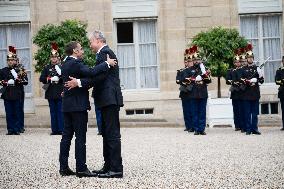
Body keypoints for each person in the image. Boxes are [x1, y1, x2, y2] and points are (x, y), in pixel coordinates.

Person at [65, 30, 124, 178]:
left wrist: (78, 82)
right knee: (106, 133)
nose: (90, 45)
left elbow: (99, 77)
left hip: (109, 99)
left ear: (98, 40)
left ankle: (116, 169)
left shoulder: (106, 53)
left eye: (91, 42)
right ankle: (108, 165)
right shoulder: (102, 54)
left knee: (112, 134)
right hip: (105, 99)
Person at [0, 46, 27, 135]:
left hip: (17, 93)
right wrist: (6, 82)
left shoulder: (20, 70)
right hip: (7, 93)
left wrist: (18, 78)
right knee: (9, 113)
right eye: (9, 60)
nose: (10, 61)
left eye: (12, 60)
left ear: (15, 60)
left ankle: (17, 129)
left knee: (17, 112)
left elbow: (25, 81)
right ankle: (10, 129)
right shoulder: (3, 70)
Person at [39, 42, 64, 135]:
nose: (54, 59)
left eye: (56, 57)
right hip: (50, 91)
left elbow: (65, 77)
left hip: (59, 91)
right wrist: (50, 79)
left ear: (58, 58)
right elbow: (41, 78)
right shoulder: (47, 68)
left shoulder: (62, 67)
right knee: (53, 112)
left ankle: (61, 129)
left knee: (60, 111)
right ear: (50, 58)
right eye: (52, 57)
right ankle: (54, 130)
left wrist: (59, 78)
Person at [239, 44, 263, 135]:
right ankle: (248, 129)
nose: (250, 59)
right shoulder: (243, 69)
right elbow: (241, 80)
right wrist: (249, 81)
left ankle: (255, 128)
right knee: (247, 113)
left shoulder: (257, 69)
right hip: (246, 94)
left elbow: (262, 81)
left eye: (251, 57)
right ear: (247, 59)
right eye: (249, 58)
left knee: (255, 113)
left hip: (255, 93)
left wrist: (259, 76)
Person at [188, 45, 211, 135]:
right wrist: (195, 79)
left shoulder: (203, 68)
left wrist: (204, 74)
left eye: (198, 59)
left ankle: (202, 129)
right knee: (194, 112)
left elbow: (208, 80)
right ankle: (196, 129)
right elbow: (187, 80)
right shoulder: (190, 70)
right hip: (193, 93)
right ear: (193, 61)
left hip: (202, 92)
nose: (196, 61)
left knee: (202, 112)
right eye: (195, 60)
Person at [176, 47, 194, 133]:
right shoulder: (181, 71)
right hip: (184, 92)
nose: (187, 63)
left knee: (192, 110)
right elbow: (178, 80)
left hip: (191, 91)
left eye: (188, 61)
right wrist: (184, 82)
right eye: (185, 61)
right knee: (186, 110)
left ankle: (193, 126)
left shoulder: (193, 70)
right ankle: (188, 126)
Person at [226, 49, 243, 131]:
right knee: (236, 110)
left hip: (242, 91)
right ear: (234, 63)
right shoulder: (230, 70)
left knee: (242, 109)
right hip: (235, 92)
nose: (237, 63)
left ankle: (243, 124)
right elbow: (227, 80)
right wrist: (233, 82)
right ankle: (237, 125)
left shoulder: (243, 70)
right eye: (236, 62)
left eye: (239, 62)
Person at [275, 56, 284, 131]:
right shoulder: (279, 71)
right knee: (283, 110)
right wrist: (282, 81)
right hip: (283, 92)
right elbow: (276, 81)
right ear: (282, 62)